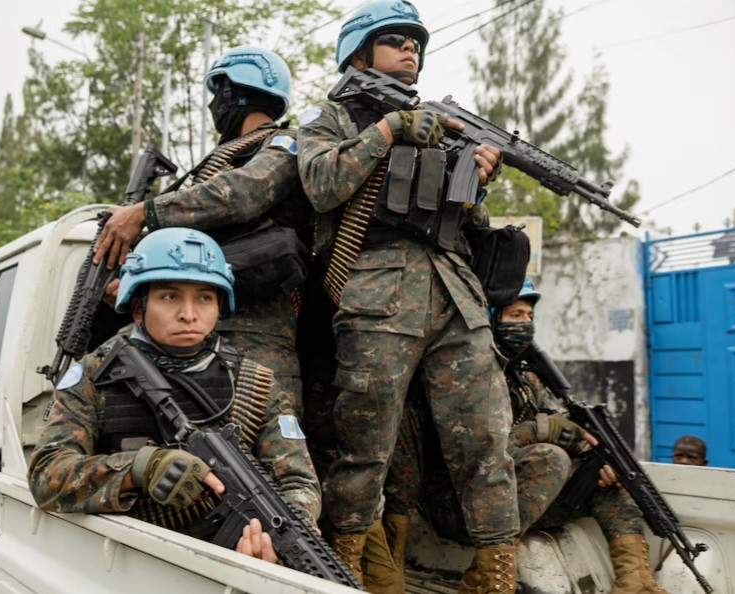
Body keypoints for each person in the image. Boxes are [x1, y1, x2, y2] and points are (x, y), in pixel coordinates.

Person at [295, 2, 516, 590]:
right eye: (396, 40)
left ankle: (495, 573)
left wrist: (476, 175)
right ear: (359, 54)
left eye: (417, 41)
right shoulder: (332, 119)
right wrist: (388, 130)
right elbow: (320, 186)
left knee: (486, 440)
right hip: (377, 293)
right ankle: (342, 570)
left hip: (457, 295)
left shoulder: (441, 125)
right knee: (365, 446)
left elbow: (465, 219)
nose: (412, 49)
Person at [29, 228, 320, 564]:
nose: (189, 314)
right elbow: (46, 476)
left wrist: (278, 534)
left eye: (204, 298)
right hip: (123, 558)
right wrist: (139, 469)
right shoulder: (93, 376)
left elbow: (298, 480)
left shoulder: (256, 382)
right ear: (138, 308)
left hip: (227, 562)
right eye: (170, 296)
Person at [384, 279, 670, 594]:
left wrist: (587, 452)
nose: (525, 325)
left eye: (529, 317)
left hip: (513, 496)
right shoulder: (461, 374)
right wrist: (541, 430)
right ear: (491, 318)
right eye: (515, 316)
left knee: (609, 470)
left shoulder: (524, 377)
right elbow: (476, 455)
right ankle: (481, 581)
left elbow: (551, 429)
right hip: (462, 503)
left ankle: (635, 582)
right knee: (551, 458)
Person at [91, 46, 313, 419]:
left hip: (256, 331)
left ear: (231, 91)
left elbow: (244, 194)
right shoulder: (219, 159)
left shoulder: (282, 145)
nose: (214, 105)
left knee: (263, 457)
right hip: (193, 335)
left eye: (217, 93)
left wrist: (146, 212)